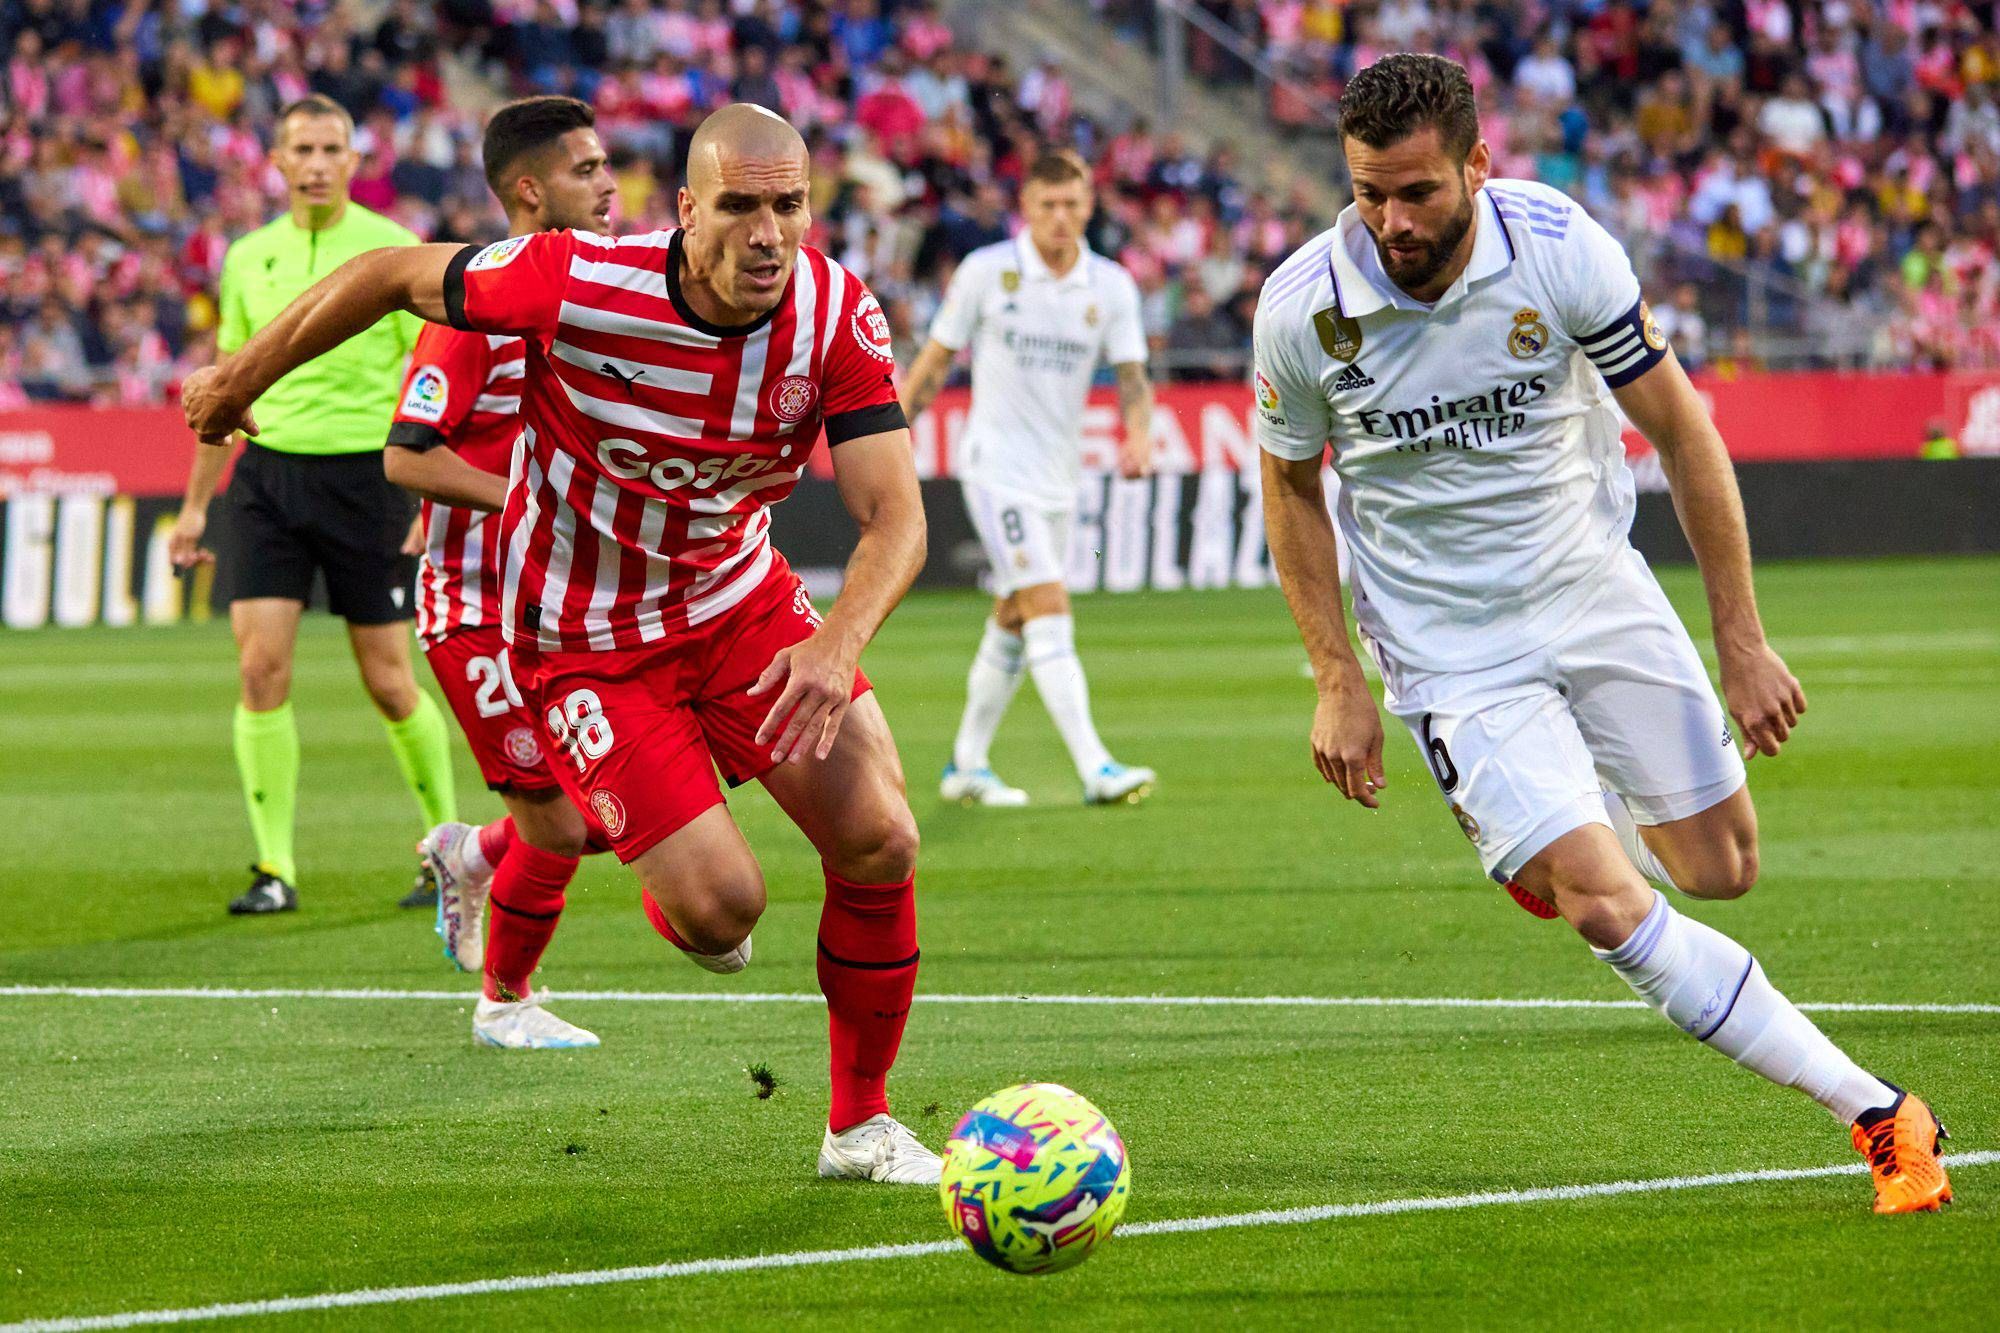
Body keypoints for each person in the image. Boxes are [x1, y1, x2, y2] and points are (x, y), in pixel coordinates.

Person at [182, 104, 940, 1185]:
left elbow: (894, 517)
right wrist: (236, 381)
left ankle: (858, 1127)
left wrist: (840, 640)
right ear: (686, 211)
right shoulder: (581, 280)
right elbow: (392, 271)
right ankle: (667, 859)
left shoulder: (833, 313)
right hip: (587, 639)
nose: (767, 233)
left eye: (789, 205)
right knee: (723, 913)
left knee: (881, 837)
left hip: (740, 604)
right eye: (738, 205)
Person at [1254, 55, 1951, 1215]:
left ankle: (1550, 815)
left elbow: (1682, 431)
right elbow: (1286, 492)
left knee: (1718, 869)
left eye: (1417, 191)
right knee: (1603, 899)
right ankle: (1877, 1112)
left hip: (1592, 589)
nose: (1390, 220)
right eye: (1368, 192)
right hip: (1448, 649)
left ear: (1478, 164)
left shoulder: (1559, 248)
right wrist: (1336, 676)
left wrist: (1740, 637)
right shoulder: (1304, 309)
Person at [167, 94, 459, 916]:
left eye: (334, 146)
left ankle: (447, 849)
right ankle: (274, 868)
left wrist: (427, 488)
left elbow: (437, 378)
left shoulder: (396, 251)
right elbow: (221, 392)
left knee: (391, 681)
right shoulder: (247, 256)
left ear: (353, 160)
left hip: (370, 480)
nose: (319, 162)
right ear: (279, 159)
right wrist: (195, 507)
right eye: (304, 147)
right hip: (268, 480)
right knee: (260, 670)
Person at [382, 96, 619, 1051]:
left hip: (559, 604)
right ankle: (504, 1004)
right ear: (531, 190)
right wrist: (520, 496)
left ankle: (471, 851)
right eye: (588, 170)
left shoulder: (599, 290)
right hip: (474, 605)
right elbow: (407, 453)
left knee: (606, 809)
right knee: (561, 826)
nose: (610, 185)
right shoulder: (472, 306)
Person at [900, 148, 1158, 808]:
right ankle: (1095, 765)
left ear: (1089, 207)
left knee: (1015, 615)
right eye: (1047, 206)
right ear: (1026, 209)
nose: (1061, 218)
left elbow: (1133, 378)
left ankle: (965, 763)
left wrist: (1137, 435)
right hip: (995, 468)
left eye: (1072, 205)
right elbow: (933, 362)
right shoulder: (988, 273)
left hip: (1057, 478)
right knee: (1046, 605)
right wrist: (889, 436)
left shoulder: (1111, 287)